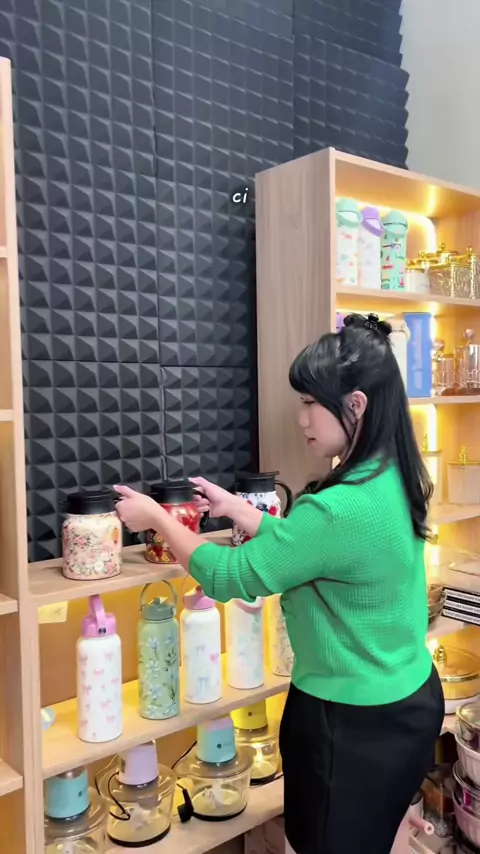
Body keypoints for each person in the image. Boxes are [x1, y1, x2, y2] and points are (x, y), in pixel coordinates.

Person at [115, 312, 444, 854]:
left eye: (311, 402)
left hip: (350, 726)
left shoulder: (336, 508)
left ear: (356, 405)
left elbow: (227, 576)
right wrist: (241, 511)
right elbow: (317, 550)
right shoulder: (391, 475)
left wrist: (158, 519)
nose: (301, 418)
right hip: (409, 702)